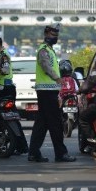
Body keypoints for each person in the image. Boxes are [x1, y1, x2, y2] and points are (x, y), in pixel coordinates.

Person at [28, 23, 76, 163]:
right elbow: (46, 67)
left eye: (56, 35)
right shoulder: (43, 50)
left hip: (48, 91)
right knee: (55, 123)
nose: (55, 37)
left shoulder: (49, 50)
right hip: (46, 92)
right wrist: (58, 79)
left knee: (41, 124)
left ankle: (33, 152)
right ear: (46, 35)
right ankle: (61, 154)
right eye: (52, 35)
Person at [0, 31, 29, 155]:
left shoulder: (3, 55)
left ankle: (22, 146)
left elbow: (5, 70)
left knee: (12, 117)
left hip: (5, 89)